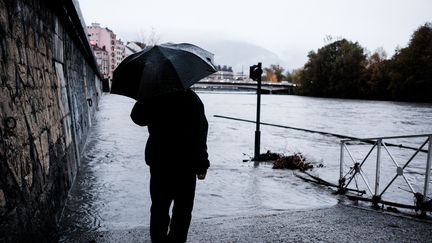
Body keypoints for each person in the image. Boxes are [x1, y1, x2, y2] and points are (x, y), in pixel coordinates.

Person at [130, 88, 209, 243]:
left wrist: (144, 96)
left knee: (159, 208)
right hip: (186, 164)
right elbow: (201, 133)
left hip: (160, 162)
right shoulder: (192, 99)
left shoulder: (154, 95)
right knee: (183, 211)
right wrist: (202, 164)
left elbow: (137, 118)